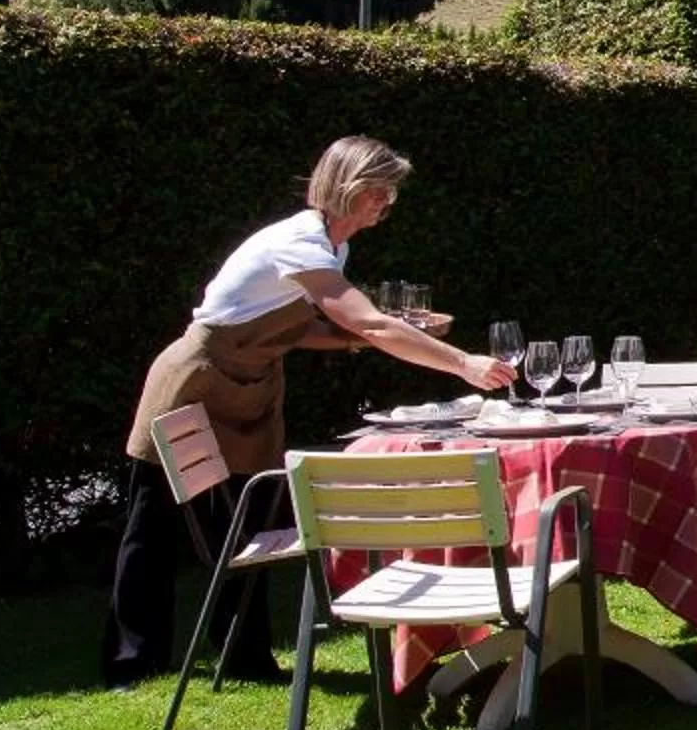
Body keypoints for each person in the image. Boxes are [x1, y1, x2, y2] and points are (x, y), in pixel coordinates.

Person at [101, 136, 516, 688]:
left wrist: (364, 339)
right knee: (152, 528)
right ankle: (131, 664)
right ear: (346, 186)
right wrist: (462, 363)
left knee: (247, 524)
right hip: (193, 386)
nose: (385, 203)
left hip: (251, 390)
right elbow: (366, 321)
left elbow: (307, 331)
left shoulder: (332, 247)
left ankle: (244, 657)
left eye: (390, 192)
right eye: (377, 190)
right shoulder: (300, 243)